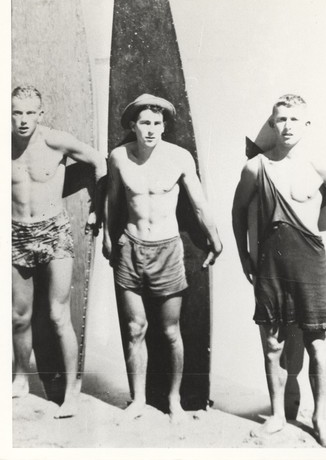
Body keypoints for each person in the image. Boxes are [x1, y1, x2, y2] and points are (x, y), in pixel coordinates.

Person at [232, 94, 326, 447]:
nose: (287, 126)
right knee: (272, 343)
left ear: (306, 124)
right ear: (272, 123)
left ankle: (320, 417)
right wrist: (244, 255)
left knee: (317, 343)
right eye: (281, 119)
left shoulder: (320, 166)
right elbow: (238, 212)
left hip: (310, 260)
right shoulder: (256, 167)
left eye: (294, 119)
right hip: (270, 260)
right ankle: (276, 415)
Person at [103, 93, 222, 423]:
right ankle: (138, 400)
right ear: (133, 125)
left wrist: (215, 239)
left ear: (164, 126)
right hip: (130, 246)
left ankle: (174, 402)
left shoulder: (179, 157)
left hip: (167, 249)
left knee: (170, 332)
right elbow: (113, 200)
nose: (151, 130)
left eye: (157, 123)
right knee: (134, 328)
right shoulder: (119, 157)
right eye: (145, 123)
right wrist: (109, 238)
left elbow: (199, 204)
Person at [12, 85, 107, 418]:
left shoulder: (55, 141)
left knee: (57, 315)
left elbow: (98, 161)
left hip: (54, 233)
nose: (23, 120)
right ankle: (21, 378)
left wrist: (98, 209)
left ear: (40, 113)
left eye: (29, 113)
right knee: (18, 316)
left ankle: (72, 392)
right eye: (16, 112)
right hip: (15, 234)